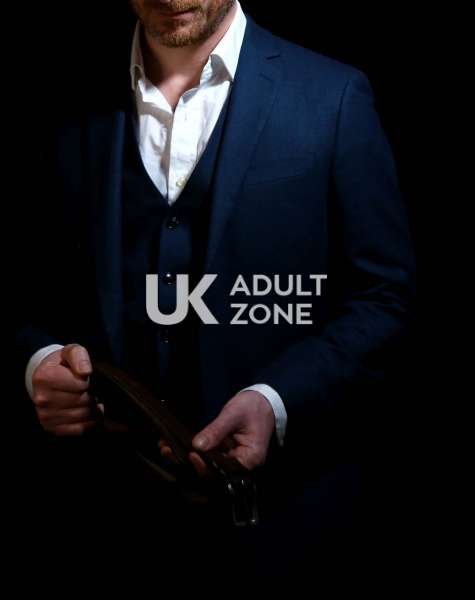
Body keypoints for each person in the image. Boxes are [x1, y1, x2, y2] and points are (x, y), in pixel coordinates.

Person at [15, 0, 415, 584]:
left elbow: (385, 298)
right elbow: (22, 284)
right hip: (97, 524)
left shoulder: (333, 96)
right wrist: (38, 361)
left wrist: (277, 401)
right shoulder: (54, 97)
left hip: (285, 527)